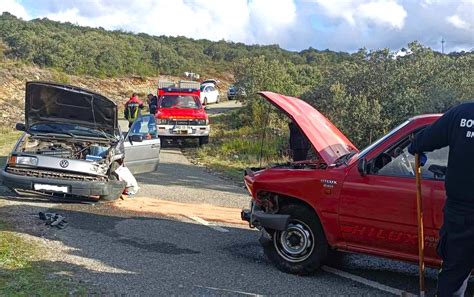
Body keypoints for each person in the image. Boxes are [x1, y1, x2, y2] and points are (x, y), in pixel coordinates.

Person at [409, 102, 474, 297]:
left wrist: (416, 147)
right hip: (460, 213)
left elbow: (423, 141)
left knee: (453, 278)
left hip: (461, 216)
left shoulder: (463, 114)